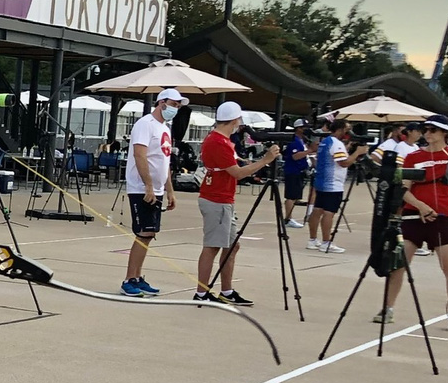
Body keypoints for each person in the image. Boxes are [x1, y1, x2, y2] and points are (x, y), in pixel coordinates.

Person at [377, 115, 448, 331]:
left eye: (433, 129)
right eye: (425, 129)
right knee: (399, 264)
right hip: (414, 217)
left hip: (443, 219)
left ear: (444, 133)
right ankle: (388, 309)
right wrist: (421, 206)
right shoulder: (413, 157)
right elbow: (403, 189)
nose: (427, 133)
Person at [194, 101, 277, 304]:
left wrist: (250, 162)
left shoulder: (220, 141)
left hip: (222, 198)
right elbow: (237, 173)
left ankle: (226, 291)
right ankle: (202, 293)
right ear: (233, 120)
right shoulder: (218, 142)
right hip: (217, 199)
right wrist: (265, 161)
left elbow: (231, 165)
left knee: (232, 245)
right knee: (213, 246)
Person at [120, 88, 182, 296]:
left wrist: (169, 190)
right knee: (143, 232)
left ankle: (137, 276)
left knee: (149, 233)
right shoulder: (145, 124)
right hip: (141, 187)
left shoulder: (165, 128)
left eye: (178, 105)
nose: (176, 108)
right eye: (174, 104)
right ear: (162, 102)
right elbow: (140, 155)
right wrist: (147, 185)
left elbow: (164, 161)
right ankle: (129, 278)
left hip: (157, 187)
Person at [305, 119, 358, 253]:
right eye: (347, 129)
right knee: (329, 213)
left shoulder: (325, 142)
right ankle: (326, 242)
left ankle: (312, 240)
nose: (348, 132)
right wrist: (357, 153)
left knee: (317, 210)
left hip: (322, 181)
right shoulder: (336, 143)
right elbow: (344, 163)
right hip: (333, 183)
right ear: (340, 129)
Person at [280, 119, 311, 228]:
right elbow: (295, 156)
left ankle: (289, 217)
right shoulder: (294, 141)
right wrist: (309, 151)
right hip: (293, 171)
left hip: (299, 171)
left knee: (295, 195)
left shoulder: (302, 140)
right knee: (291, 196)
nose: (306, 130)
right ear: (298, 128)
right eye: (304, 128)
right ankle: (288, 219)